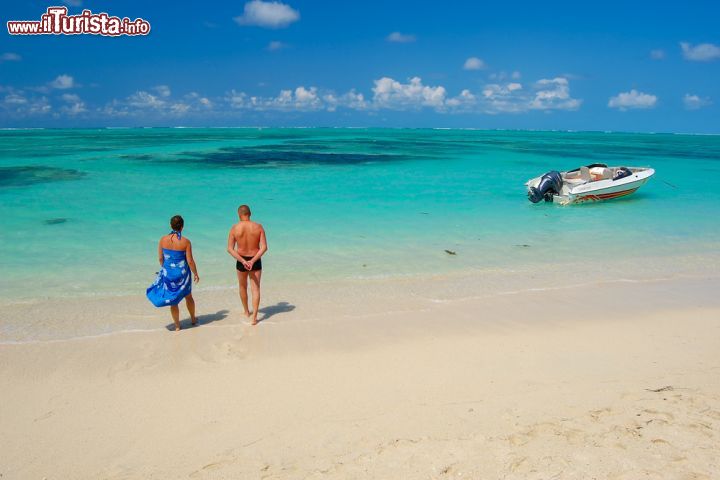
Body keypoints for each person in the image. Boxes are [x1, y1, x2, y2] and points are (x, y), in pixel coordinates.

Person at [146, 215, 200, 331]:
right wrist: (195, 273)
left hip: (169, 274)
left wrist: (166, 269)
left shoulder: (162, 240)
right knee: (188, 296)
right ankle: (193, 319)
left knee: (173, 300)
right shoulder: (185, 242)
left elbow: (160, 259)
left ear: (171, 225)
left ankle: (177, 326)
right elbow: (190, 261)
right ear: (182, 227)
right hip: (183, 274)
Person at [227, 204, 267, 325]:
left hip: (241, 260)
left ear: (239, 215)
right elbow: (264, 247)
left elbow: (230, 249)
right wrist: (253, 260)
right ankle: (254, 317)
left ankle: (246, 311)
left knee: (242, 286)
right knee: (255, 288)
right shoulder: (258, 227)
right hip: (255, 259)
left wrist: (243, 261)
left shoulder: (235, 228)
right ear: (250, 214)